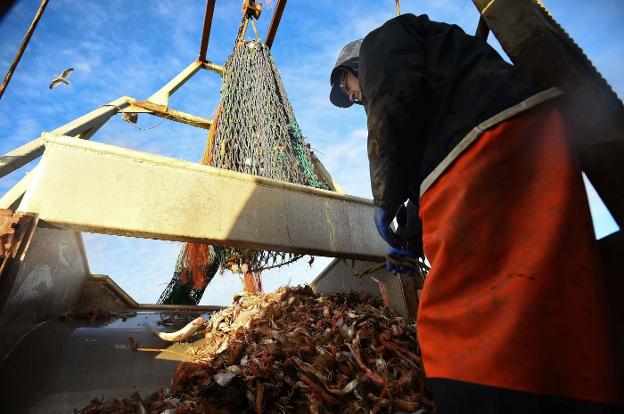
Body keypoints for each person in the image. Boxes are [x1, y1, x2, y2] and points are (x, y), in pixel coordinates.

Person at [329, 13, 622, 414]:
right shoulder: (432, 86)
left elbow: (391, 101)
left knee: (455, 321)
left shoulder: (384, 40)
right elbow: (420, 161)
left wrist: (384, 196)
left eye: (349, 89)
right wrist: (409, 240)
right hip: (534, 135)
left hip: (481, 151)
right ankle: (582, 389)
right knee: (548, 281)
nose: (354, 98)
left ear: (355, 67)